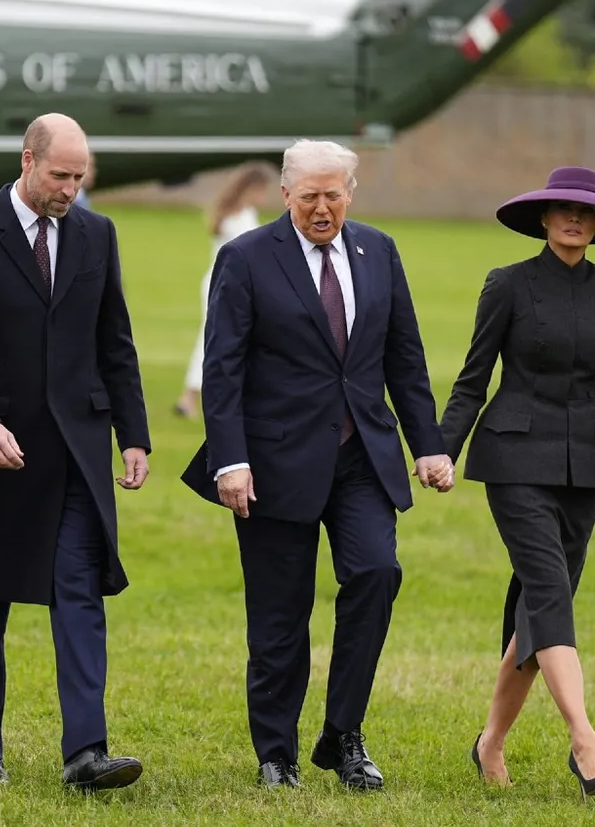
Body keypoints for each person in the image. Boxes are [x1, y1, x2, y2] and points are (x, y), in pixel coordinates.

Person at [180, 139, 454, 791]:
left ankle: (343, 734)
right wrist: (231, 460)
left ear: (350, 192)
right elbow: (222, 368)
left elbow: (404, 357)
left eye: (334, 195)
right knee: (279, 615)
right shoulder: (245, 258)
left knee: (376, 572)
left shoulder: (379, 251)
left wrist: (430, 444)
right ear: (285, 195)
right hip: (271, 462)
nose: (323, 208)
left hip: (361, 454)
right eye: (309, 197)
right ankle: (277, 754)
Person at [0, 113, 151, 791]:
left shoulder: (97, 234)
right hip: (1, 450)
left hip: (79, 450)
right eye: (60, 175)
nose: (70, 190)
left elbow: (116, 339)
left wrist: (134, 432)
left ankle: (86, 751)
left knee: (79, 592)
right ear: (28, 161)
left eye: (80, 177)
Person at [438, 166, 595, 799]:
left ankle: (491, 743)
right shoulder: (507, 285)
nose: (574, 220)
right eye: (563, 209)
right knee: (550, 590)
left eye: (586, 214)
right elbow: (473, 378)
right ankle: (585, 741)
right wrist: (439, 451)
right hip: (512, 461)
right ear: (543, 217)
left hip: (586, 465)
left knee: (539, 607)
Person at [174, 160, 276, 419]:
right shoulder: (239, 218)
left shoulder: (236, 213)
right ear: (252, 188)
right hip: (226, 283)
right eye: (263, 190)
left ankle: (229, 398)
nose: (265, 197)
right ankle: (189, 397)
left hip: (226, 282)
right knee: (214, 339)